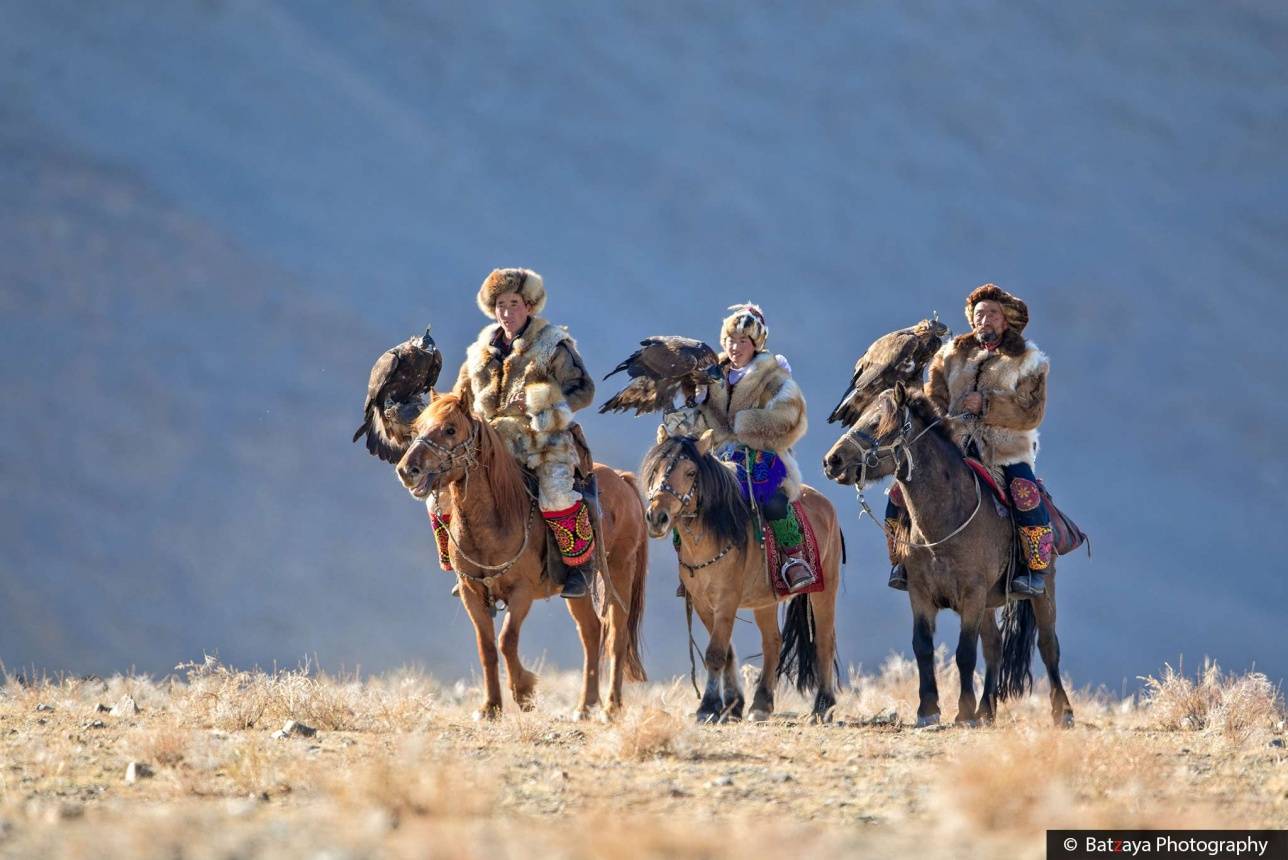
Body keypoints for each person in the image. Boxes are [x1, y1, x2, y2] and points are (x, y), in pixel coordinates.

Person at [886, 284, 1053, 597]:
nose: (984, 319)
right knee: (900, 489)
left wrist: (988, 405)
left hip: (1004, 447)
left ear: (1006, 321)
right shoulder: (949, 355)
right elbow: (934, 398)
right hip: (953, 444)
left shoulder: (1030, 360)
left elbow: (1032, 413)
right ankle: (902, 560)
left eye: (992, 313)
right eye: (979, 314)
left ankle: (1033, 570)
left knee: (1026, 492)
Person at [445, 268, 597, 598]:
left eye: (514, 303)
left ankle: (579, 567)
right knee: (439, 488)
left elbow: (583, 389)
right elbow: (460, 397)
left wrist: (543, 408)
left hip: (543, 441)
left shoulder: (553, 344)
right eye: (500, 304)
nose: (507, 312)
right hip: (488, 444)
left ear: (529, 305)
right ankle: (462, 566)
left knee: (556, 493)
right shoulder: (479, 351)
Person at [696, 304, 815, 593]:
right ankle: (693, 565)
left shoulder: (773, 375)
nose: (735, 347)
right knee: (684, 496)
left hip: (762, 455)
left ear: (755, 344)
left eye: (743, 341)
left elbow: (792, 414)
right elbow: (696, 418)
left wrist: (748, 425)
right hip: (717, 455)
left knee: (774, 501)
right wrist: (691, 403)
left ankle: (793, 558)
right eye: (730, 340)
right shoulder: (710, 375)